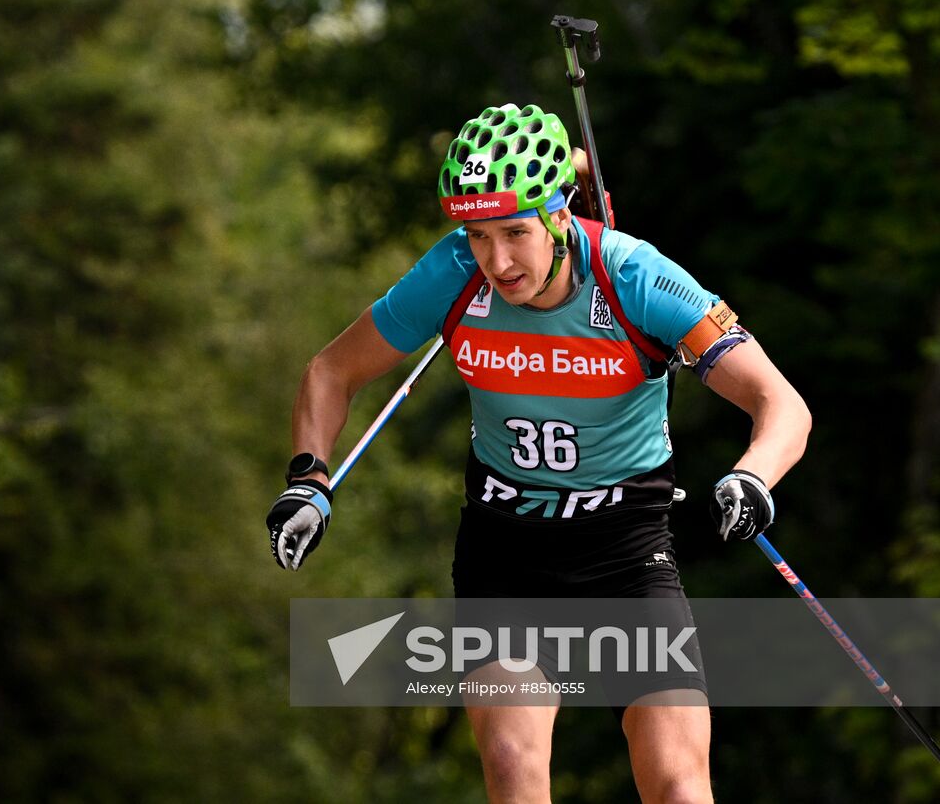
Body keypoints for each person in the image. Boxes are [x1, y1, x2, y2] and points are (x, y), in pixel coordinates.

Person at [266, 103, 811, 803]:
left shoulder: (634, 276)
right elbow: (330, 371)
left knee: (678, 782)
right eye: (477, 234)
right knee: (513, 766)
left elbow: (780, 404)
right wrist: (308, 478)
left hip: (625, 553)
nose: (496, 261)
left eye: (515, 233)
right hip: (508, 552)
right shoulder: (454, 274)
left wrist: (753, 476)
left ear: (559, 216)